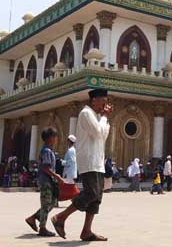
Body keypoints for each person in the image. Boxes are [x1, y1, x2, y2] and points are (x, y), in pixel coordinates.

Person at [51, 89, 112, 241]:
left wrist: (104, 118)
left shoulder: (98, 116)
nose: (104, 106)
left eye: (106, 102)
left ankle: (86, 231)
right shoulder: (86, 114)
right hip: (89, 160)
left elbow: (103, 136)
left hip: (97, 160)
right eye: (102, 102)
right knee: (90, 193)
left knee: (96, 197)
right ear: (94, 101)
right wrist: (104, 118)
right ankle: (61, 217)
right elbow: (98, 133)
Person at [24, 129, 64, 237]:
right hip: (45, 180)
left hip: (49, 180)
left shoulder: (49, 150)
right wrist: (57, 176)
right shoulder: (46, 151)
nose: (56, 139)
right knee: (46, 203)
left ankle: (33, 218)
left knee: (52, 202)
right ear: (50, 138)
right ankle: (42, 228)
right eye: (54, 137)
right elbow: (46, 168)